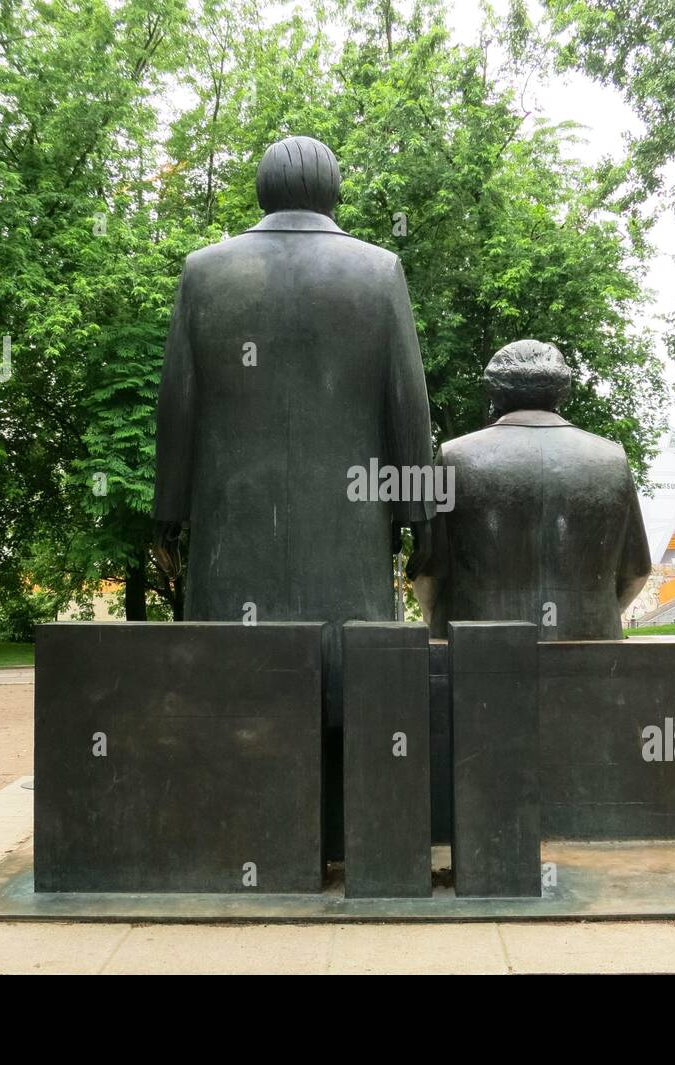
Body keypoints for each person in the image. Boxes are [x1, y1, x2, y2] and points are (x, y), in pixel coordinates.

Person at [151, 135, 436, 859]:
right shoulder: (378, 272)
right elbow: (408, 406)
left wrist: (171, 512)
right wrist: (418, 516)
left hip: (230, 529)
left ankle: (229, 826)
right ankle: (344, 831)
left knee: (232, 678)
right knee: (350, 672)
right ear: (334, 192)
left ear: (263, 190)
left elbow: (176, 408)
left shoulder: (204, 273)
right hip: (348, 530)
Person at [413, 339, 650, 640]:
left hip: (475, 646)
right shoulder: (612, 458)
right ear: (561, 390)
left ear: (494, 392)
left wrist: (436, 621)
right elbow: (637, 571)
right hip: (591, 644)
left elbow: (430, 570)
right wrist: (588, 615)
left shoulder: (454, 456)